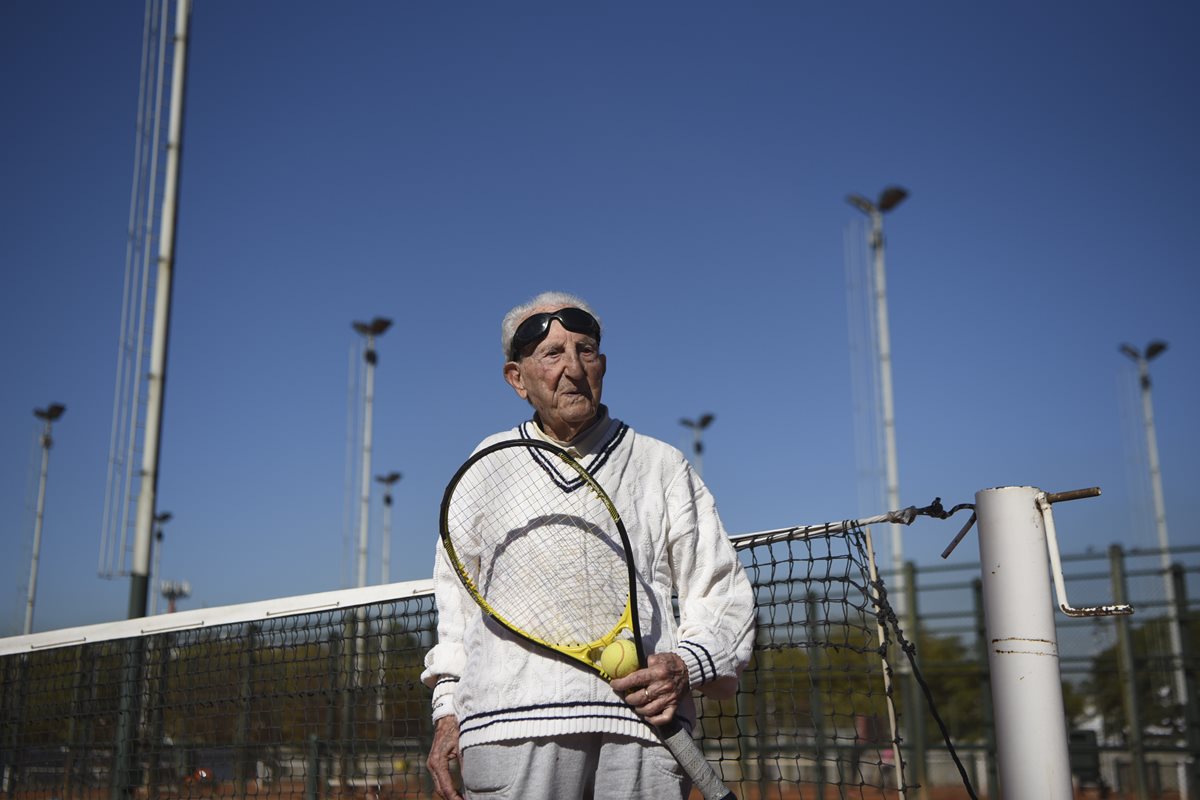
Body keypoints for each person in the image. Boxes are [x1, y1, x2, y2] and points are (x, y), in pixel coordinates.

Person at [421, 291, 755, 800]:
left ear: (603, 365)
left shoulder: (661, 464)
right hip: (507, 728)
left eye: (586, 350)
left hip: (642, 730)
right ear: (517, 378)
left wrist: (686, 664)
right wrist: (448, 710)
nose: (573, 368)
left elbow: (719, 588)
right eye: (552, 354)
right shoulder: (484, 467)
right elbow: (456, 605)